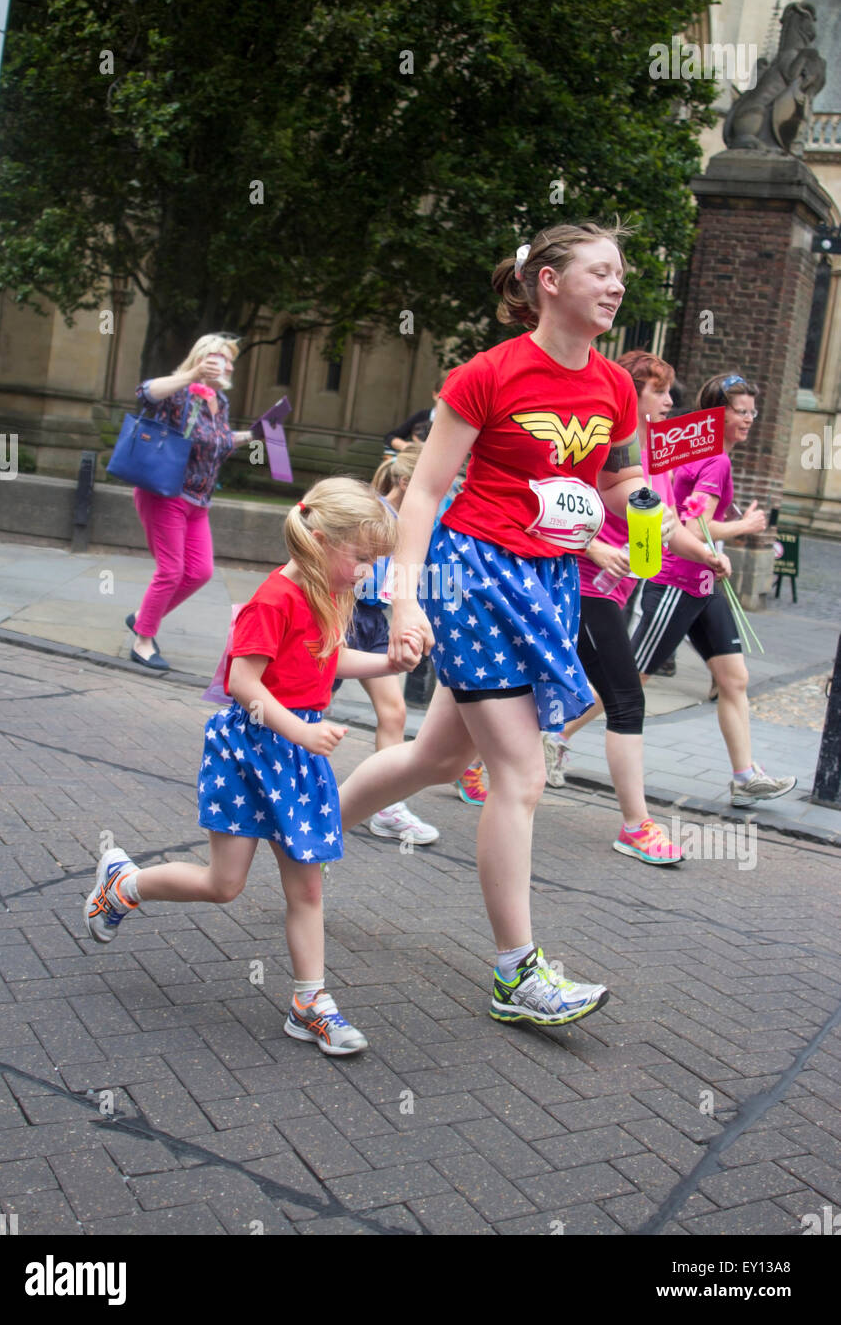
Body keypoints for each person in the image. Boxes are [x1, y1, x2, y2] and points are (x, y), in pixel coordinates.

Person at [338, 220, 676, 1029]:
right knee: (520, 775)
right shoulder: (486, 374)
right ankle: (516, 973)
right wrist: (410, 595)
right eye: (599, 270)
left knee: (437, 753)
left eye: (620, 273)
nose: (616, 284)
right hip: (473, 577)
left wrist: (634, 541)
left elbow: (622, 483)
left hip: (549, 579)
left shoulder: (613, 387)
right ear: (549, 282)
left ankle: (305, 824)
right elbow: (423, 493)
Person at [85, 478, 422, 1057]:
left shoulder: (330, 590)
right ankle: (123, 885)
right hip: (251, 751)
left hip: (297, 752)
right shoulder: (274, 598)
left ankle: (309, 1003)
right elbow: (243, 683)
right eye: (362, 558)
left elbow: (328, 657)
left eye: (375, 560)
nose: (368, 571)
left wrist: (386, 660)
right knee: (225, 884)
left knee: (308, 887)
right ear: (319, 541)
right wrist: (301, 729)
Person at [542, 351, 730, 864]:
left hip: (617, 591)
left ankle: (468, 760)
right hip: (583, 588)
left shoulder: (654, 463)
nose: (671, 401)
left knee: (524, 688)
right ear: (630, 396)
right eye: (659, 391)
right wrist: (593, 548)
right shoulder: (600, 453)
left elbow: (667, 528)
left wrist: (708, 556)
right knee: (627, 699)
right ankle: (635, 825)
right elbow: (551, 511)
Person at [629, 372, 796, 807]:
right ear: (717, 415)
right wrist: (745, 526)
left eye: (752, 412)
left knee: (733, 678)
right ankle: (555, 737)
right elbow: (691, 527)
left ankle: (744, 777)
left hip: (706, 584)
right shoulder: (713, 460)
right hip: (677, 581)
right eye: (741, 412)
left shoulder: (704, 453)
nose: (750, 420)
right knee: (631, 679)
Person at [127, 334, 254, 671]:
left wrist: (254, 434)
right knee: (170, 571)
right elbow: (145, 392)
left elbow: (219, 443)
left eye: (229, 360)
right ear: (201, 357)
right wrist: (192, 374)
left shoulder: (220, 401)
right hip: (165, 494)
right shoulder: (178, 392)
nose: (226, 365)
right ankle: (142, 642)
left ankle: (143, 618)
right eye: (218, 357)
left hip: (199, 501)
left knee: (199, 572)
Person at [337, 445, 440, 845]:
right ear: (403, 482)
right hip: (342, 614)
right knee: (305, 707)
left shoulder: (422, 522)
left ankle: (387, 808)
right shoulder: (372, 511)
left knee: (394, 712)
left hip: (375, 620)